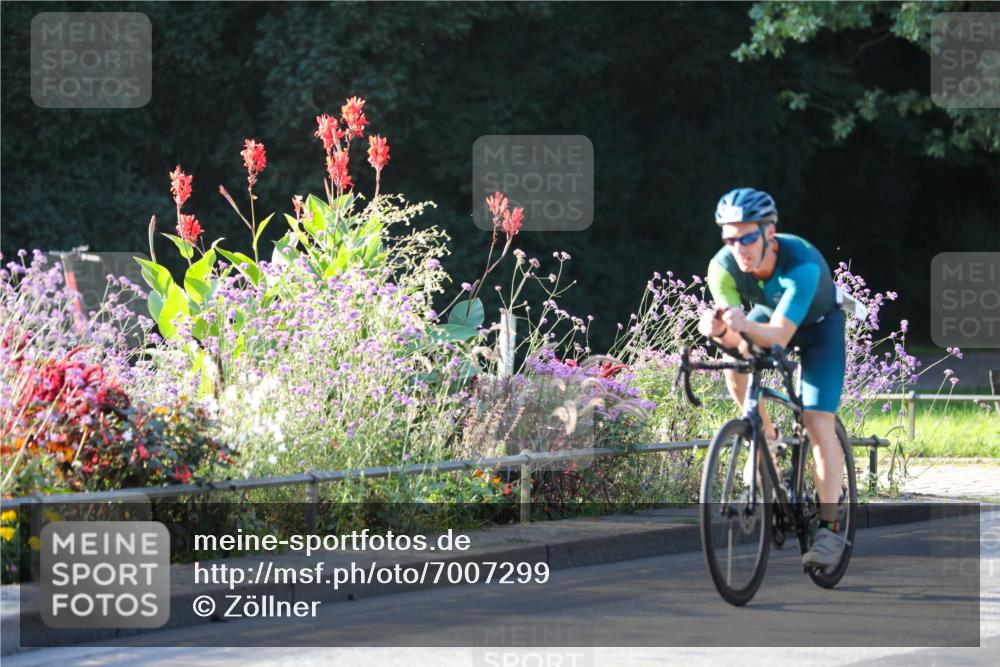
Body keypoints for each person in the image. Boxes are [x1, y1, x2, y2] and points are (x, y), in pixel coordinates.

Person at [697, 187, 850, 569]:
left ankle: (830, 528)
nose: (739, 248)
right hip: (768, 318)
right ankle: (767, 436)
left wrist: (744, 325)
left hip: (818, 328)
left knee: (817, 423)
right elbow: (738, 339)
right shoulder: (722, 268)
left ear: (769, 232)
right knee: (735, 363)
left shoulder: (801, 261)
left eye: (747, 237)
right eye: (730, 239)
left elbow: (780, 335)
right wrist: (717, 331)